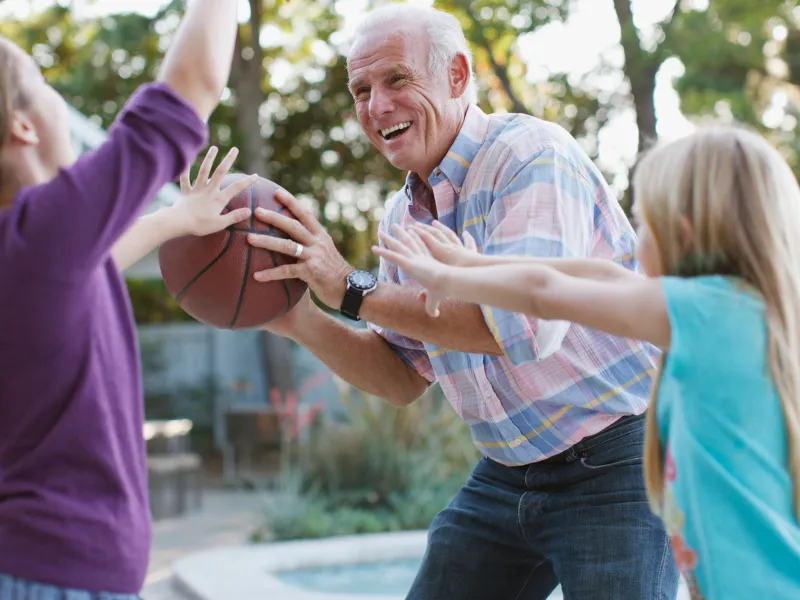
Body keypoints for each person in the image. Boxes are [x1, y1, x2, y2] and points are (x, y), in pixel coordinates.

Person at [246, 3, 679, 598]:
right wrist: (296, 318)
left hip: (618, 463)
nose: (375, 108)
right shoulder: (402, 216)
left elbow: (520, 328)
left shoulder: (530, 156)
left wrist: (350, 287)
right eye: (361, 90)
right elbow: (400, 376)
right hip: (507, 473)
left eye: (396, 79)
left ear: (455, 75)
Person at [372, 126, 800, 600]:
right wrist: (471, 267)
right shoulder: (728, 310)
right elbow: (595, 272)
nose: (635, 239)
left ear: (682, 233)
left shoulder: (705, 314)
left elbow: (546, 294)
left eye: (644, 224)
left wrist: (446, 277)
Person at [0, 0, 251, 595]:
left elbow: (90, 267)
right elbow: (192, 85)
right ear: (24, 124)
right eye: (43, 84)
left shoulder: (32, 256)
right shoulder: (39, 228)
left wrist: (175, 218)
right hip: (55, 571)